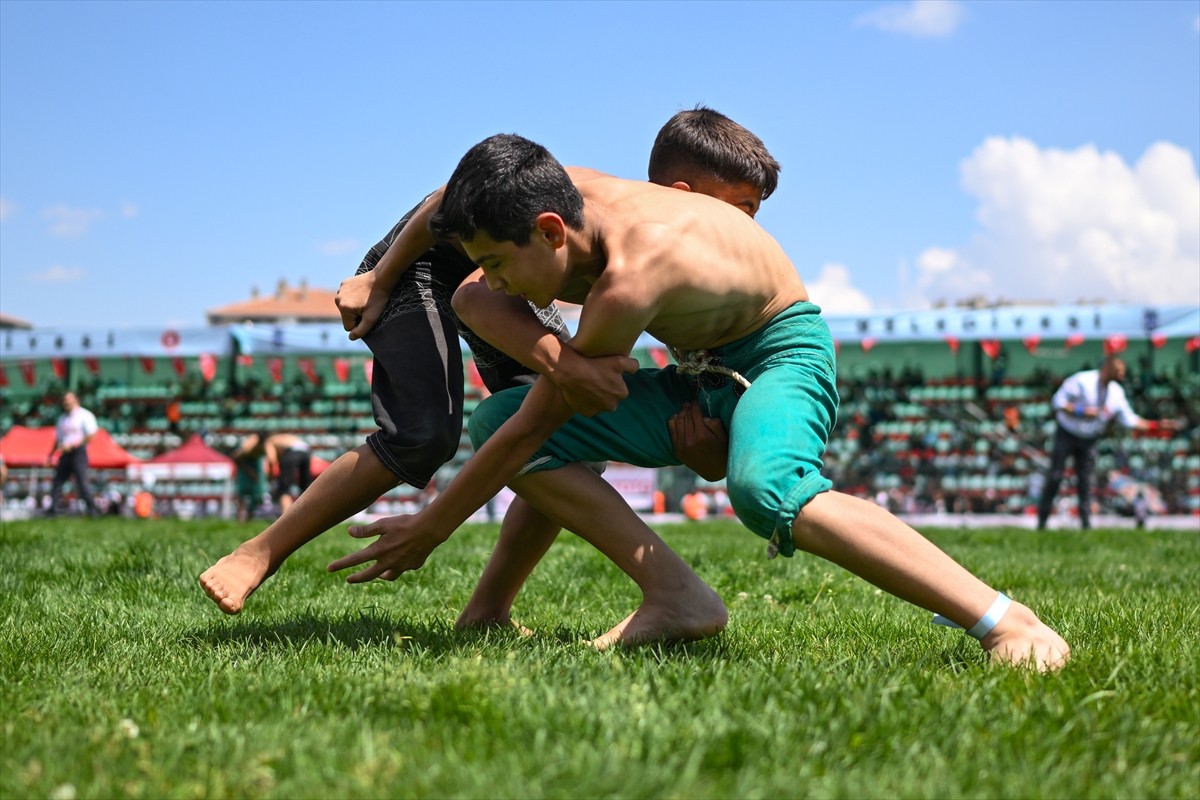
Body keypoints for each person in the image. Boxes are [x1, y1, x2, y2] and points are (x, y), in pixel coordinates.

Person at [329, 134, 1072, 671]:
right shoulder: (562, 191)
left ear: (550, 232)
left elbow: (536, 421)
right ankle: (676, 597)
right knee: (497, 415)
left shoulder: (632, 276)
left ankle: (1006, 622)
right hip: (703, 371)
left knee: (766, 489)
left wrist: (434, 527)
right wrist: (384, 279)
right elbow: (454, 243)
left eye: (497, 262)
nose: (492, 278)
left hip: (779, 355)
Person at [199, 108, 774, 618]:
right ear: (684, 192)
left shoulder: (671, 258)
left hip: (503, 286)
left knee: (567, 435)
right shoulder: (583, 198)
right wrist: (380, 276)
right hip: (419, 269)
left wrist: (708, 450)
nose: (749, 228)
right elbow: (443, 208)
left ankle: (487, 610)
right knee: (422, 437)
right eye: (743, 208)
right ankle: (259, 552)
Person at [1036, 356, 1179, 531]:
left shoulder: (1116, 393)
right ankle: (1042, 521)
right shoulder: (1082, 381)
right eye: (1118, 371)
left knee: (1086, 480)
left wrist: (1157, 425)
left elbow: (1130, 420)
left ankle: (1085, 524)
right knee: (1055, 476)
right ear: (1107, 368)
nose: (1121, 375)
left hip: (1089, 438)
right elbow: (1057, 402)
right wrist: (1081, 411)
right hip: (1066, 433)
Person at [46, 391, 100, 517]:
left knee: (82, 482)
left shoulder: (85, 415)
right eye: (64, 400)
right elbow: (58, 439)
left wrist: (73, 445)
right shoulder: (62, 418)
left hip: (78, 453)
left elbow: (91, 435)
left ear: (76, 400)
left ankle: (92, 510)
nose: (65, 402)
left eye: (68, 399)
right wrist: (51, 454)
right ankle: (53, 510)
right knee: (57, 482)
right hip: (65, 453)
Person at [230, 432, 269, 522]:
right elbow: (235, 457)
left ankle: (248, 520)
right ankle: (240, 520)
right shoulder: (248, 448)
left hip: (256, 472)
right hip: (245, 473)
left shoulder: (264, 446)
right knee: (242, 496)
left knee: (257, 497)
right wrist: (249, 471)